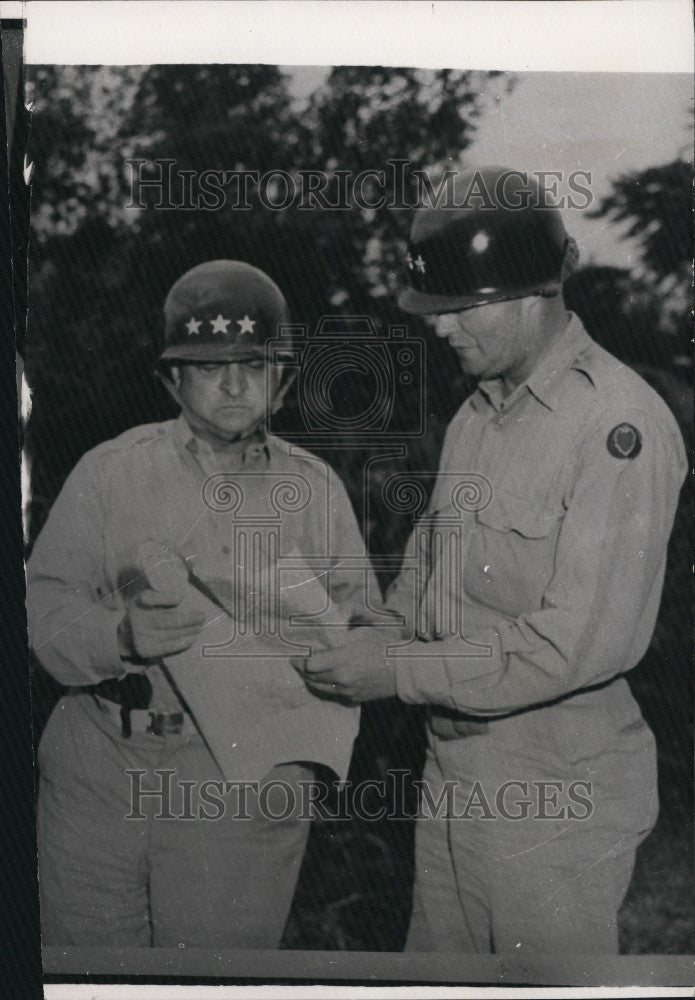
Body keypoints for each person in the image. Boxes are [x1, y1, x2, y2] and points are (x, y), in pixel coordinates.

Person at [293, 167, 687, 953]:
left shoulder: (617, 426)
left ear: (536, 291)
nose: (439, 329)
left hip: (554, 791)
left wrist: (394, 672)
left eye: (458, 309)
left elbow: (568, 645)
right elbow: (429, 565)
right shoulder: (479, 415)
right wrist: (372, 627)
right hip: (451, 773)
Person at [27, 259, 377, 949]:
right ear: (170, 377)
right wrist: (120, 635)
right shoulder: (109, 472)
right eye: (209, 364)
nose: (234, 383)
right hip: (100, 761)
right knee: (85, 975)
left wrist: (350, 651)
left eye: (255, 363)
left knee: (212, 980)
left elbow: (364, 617)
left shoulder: (315, 489)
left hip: (242, 776)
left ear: (282, 378)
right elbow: (41, 607)